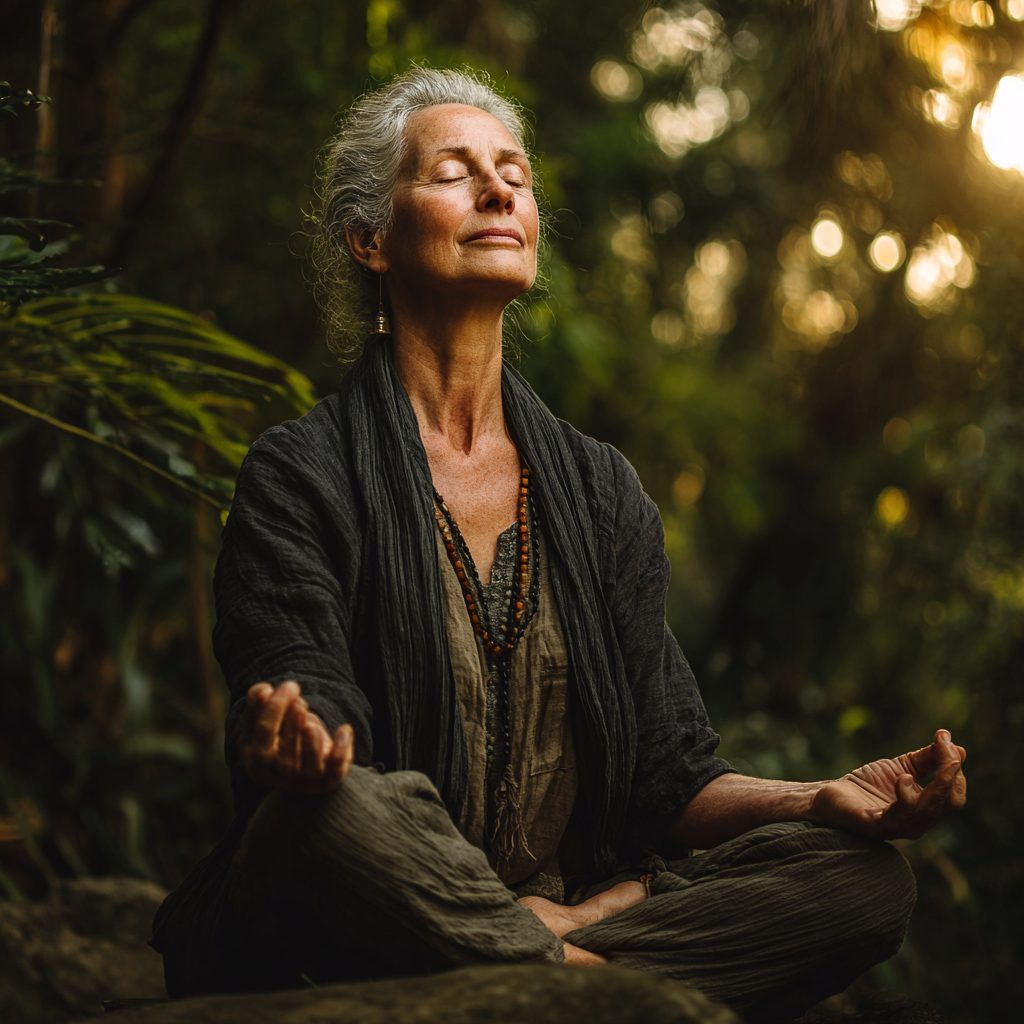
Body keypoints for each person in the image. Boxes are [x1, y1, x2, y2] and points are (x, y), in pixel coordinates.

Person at [151, 66, 967, 1022]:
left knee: (868, 882)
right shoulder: (301, 472)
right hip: (373, 891)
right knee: (325, 822)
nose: (500, 190)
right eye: (455, 173)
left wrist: (818, 798)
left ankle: (535, 955)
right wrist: (293, 738)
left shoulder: (597, 489)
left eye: (516, 174)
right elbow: (310, 700)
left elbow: (671, 777)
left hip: (513, 913)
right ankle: (584, 970)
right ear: (369, 239)